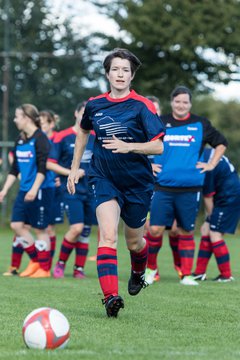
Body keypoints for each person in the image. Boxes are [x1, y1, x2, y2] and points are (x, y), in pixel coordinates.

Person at [67, 48, 165, 318]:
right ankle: (111, 298)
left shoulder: (142, 106)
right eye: (115, 69)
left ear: (132, 76)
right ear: (107, 74)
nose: (120, 74)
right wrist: (75, 168)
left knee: (134, 242)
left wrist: (128, 146)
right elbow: (83, 131)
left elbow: (158, 147)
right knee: (107, 235)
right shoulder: (95, 105)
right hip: (103, 178)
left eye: (125, 70)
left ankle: (138, 271)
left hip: (138, 183)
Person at [144, 85, 228, 286]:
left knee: (186, 231)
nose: (181, 105)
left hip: (190, 188)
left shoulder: (200, 124)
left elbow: (221, 142)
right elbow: (143, 144)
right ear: (172, 102)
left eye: (185, 102)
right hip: (162, 187)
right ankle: (150, 270)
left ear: (190, 104)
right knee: (154, 229)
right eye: (177, 101)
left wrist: (211, 164)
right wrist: (149, 163)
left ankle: (186, 275)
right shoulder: (160, 122)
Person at [0, 104, 55, 278]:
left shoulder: (40, 138)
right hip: (25, 190)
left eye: (17, 116)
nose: (15, 120)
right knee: (16, 225)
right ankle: (35, 261)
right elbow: (14, 169)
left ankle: (44, 270)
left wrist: (34, 188)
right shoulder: (20, 139)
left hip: (40, 189)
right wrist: (4, 190)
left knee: (40, 229)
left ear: (27, 118)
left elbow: (42, 168)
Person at [47, 102, 96, 279]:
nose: (85, 117)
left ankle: (79, 269)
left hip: (91, 190)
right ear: (76, 114)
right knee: (76, 228)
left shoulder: (96, 137)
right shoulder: (63, 137)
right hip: (71, 189)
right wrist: (72, 173)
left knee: (85, 231)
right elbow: (50, 163)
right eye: (83, 113)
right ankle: (60, 264)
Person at [192, 148, 240, 282]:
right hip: (227, 195)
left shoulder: (204, 163)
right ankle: (199, 273)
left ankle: (226, 275)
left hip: (228, 197)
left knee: (215, 233)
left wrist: (211, 217)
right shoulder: (206, 152)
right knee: (205, 230)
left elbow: (208, 197)